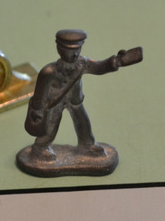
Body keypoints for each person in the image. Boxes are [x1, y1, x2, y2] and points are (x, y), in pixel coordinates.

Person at [25, 29, 136, 161]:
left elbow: (99, 67)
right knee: (51, 127)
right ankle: (40, 148)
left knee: (83, 122)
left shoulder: (83, 63)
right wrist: (38, 110)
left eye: (78, 49)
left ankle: (87, 145)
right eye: (70, 51)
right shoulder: (49, 72)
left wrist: (116, 61)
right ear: (59, 50)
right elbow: (40, 93)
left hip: (75, 100)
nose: (75, 54)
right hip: (55, 103)